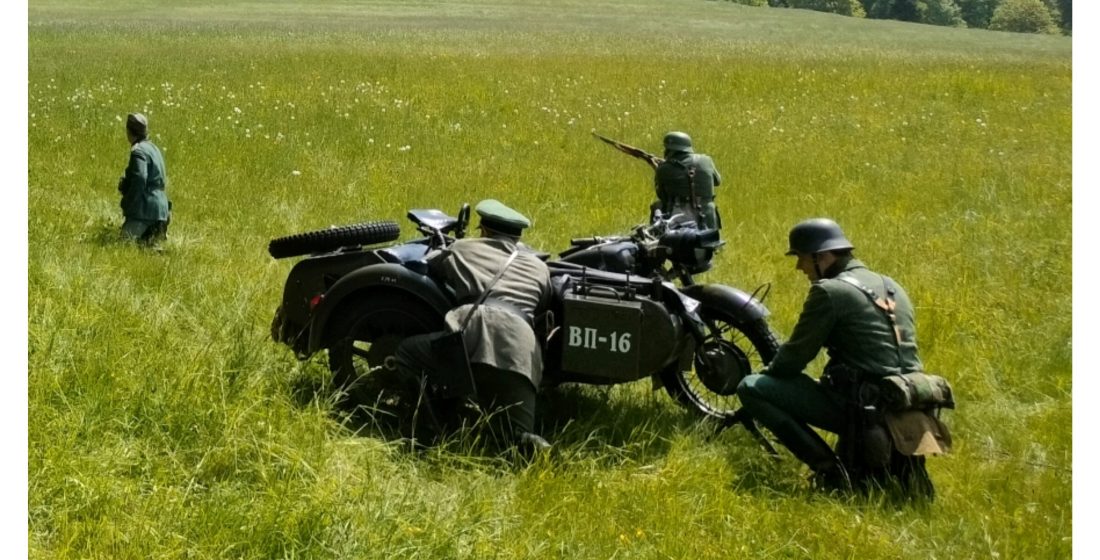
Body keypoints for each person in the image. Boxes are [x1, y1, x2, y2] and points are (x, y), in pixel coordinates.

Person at [736, 218, 932, 494]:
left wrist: (767, 373)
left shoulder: (829, 292)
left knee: (752, 388)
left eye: (802, 258)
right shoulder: (891, 285)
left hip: (866, 409)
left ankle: (831, 471)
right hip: (909, 400)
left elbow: (793, 359)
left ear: (822, 256)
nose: (799, 267)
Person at [395, 199, 553, 452]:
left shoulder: (464, 248)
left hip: (470, 333)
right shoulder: (539, 267)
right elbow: (543, 302)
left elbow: (431, 264)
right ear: (517, 237)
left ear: (485, 231)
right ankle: (539, 451)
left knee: (406, 354)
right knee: (516, 436)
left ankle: (432, 431)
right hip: (520, 348)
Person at [117, 113, 171, 245]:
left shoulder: (138, 151)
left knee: (123, 245)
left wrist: (128, 202)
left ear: (129, 131)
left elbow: (140, 179)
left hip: (145, 212)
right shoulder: (154, 148)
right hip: (162, 212)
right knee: (149, 248)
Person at [651, 131, 722, 230]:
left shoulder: (663, 169)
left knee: (657, 206)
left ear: (669, 150)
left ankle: (656, 238)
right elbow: (717, 181)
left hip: (678, 216)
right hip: (707, 215)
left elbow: (662, 196)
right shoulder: (706, 160)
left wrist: (660, 172)